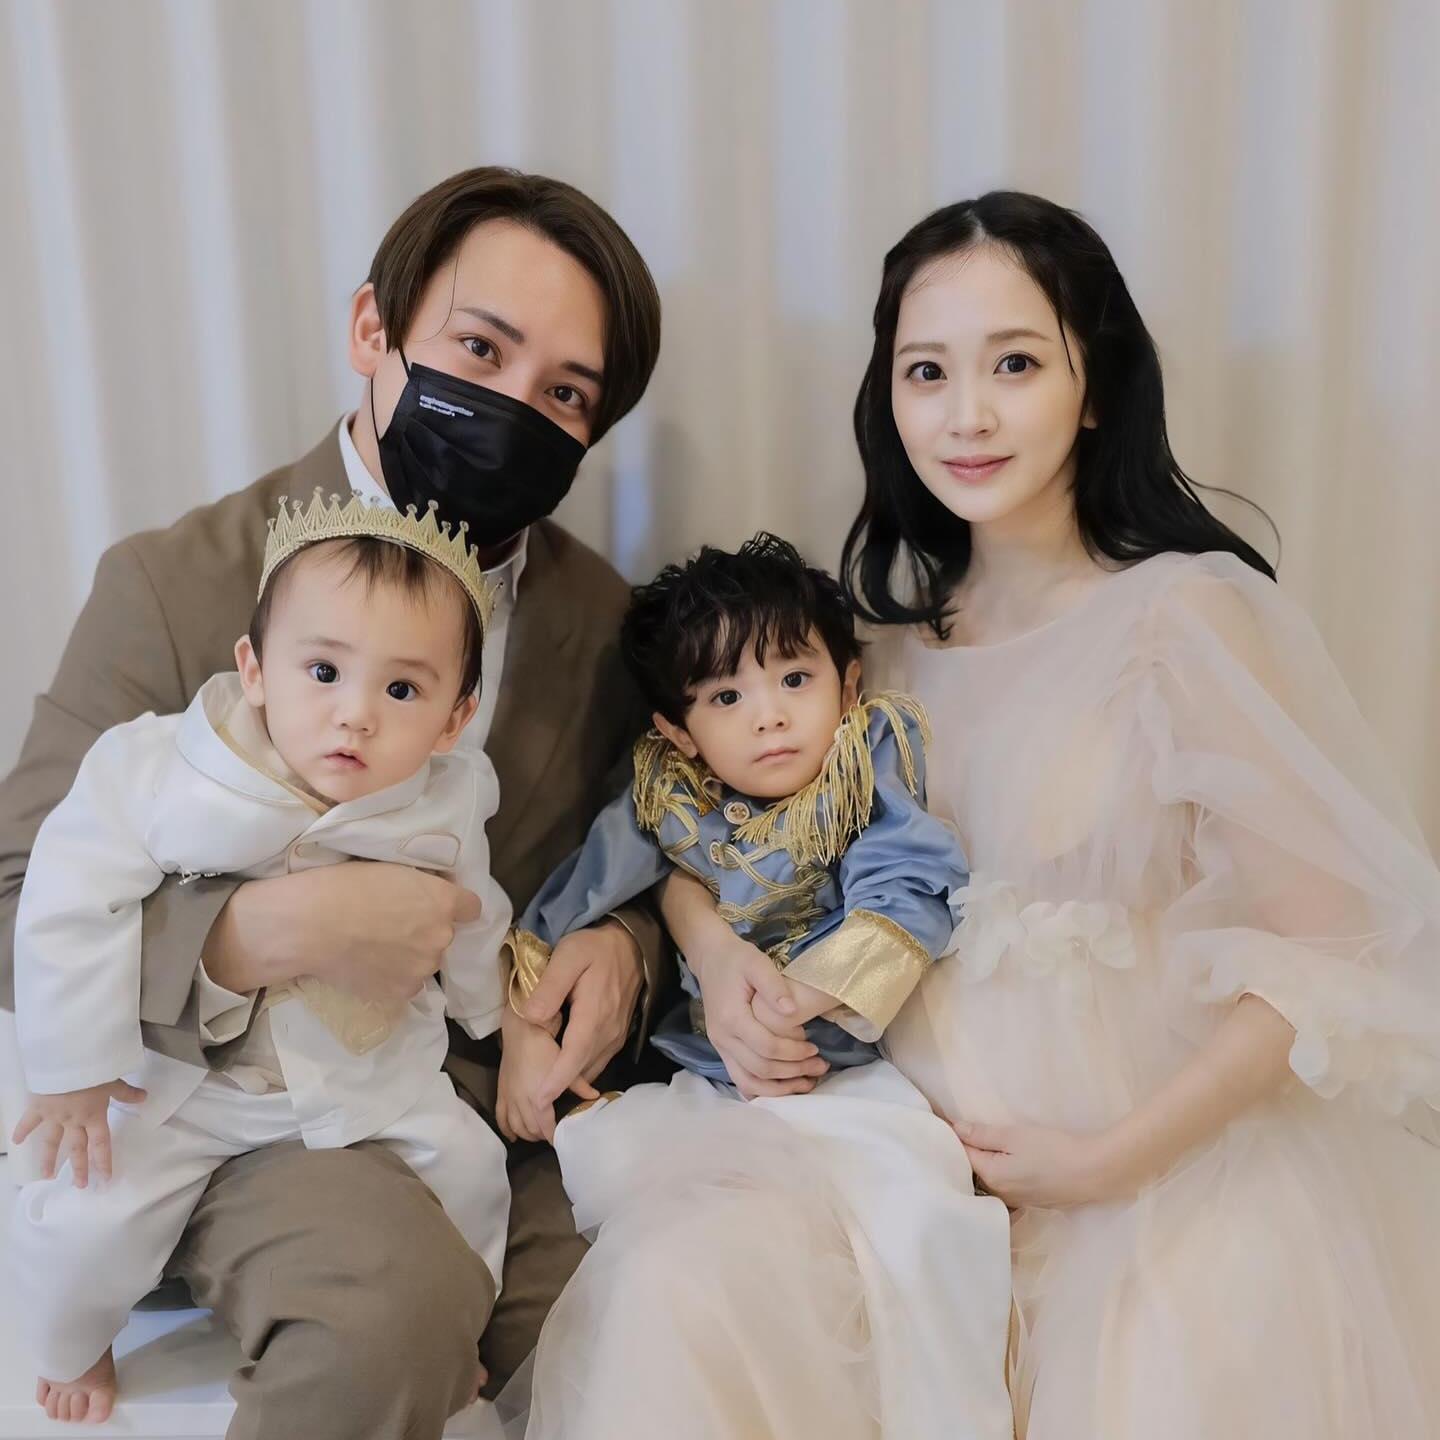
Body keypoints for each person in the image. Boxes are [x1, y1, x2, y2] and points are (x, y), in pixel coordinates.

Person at [0, 166, 665, 1440]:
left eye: (565, 394)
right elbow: (17, 893)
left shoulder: (607, 623)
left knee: (656, 1316)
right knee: (390, 1318)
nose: (511, 408)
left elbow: (652, 850)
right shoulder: (174, 584)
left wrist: (625, 952)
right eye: (480, 350)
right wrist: (256, 937)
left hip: (498, 1104)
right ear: (374, 329)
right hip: (248, 1109)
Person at [830, 191, 1440, 1438]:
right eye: (927, 372)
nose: (967, 414)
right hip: (917, 1196)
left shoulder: (1182, 619)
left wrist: (1108, 1164)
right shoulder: (869, 664)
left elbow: (1329, 953)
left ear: (1095, 387)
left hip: (1162, 1190)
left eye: (1015, 363)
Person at [11, 495, 512, 1424]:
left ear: (454, 718)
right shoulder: (162, 770)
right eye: (323, 672)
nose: (355, 716)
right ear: (255, 670)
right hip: (185, 1087)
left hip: (369, 1073)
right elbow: (67, 897)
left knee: (474, 1172)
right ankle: (71, 1344)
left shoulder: (447, 795)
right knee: (88, 1217)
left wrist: (492, 1011)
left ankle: (463, 1329)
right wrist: (73, 1066)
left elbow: (473, 910)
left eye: (403, 692)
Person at [501, 534, 1014, 1440]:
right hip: (710, 1084)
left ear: (847, 686)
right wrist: (523, 1033)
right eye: (726, 697)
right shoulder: (667, 797)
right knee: (659, 1243)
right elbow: (573, 899)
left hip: (847, 1075)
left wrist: (794, 1001)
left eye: (794, 679)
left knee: (916, 1228)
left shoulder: (862, 766)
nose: (769, 718)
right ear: (677, 730)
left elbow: (911, 885)